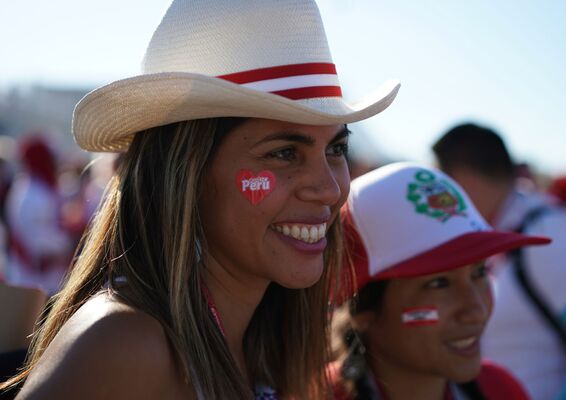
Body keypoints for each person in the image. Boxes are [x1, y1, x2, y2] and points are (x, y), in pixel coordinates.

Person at [0, 1, 400, 399]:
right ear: (187, 173)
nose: (329, 188)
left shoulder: (269, 344)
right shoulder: (124, 343)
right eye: (283, 153)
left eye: (336, 149)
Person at [330, 162, 549, 399]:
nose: (476, 309)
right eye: (439, 283)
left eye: (479, 273)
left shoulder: (501, 389)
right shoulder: (310, 394)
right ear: (361, 308)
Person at [432, 123, 566, 399]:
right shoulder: (506, 227)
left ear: (465, 179)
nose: (437, 202)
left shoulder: (548, 232)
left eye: (442, 187)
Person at [4, 135, 71, 295]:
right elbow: (39, 244)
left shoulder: (35, 186)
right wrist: (67, 245)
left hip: (41, 279)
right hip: (35, 281)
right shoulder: (33, 194)